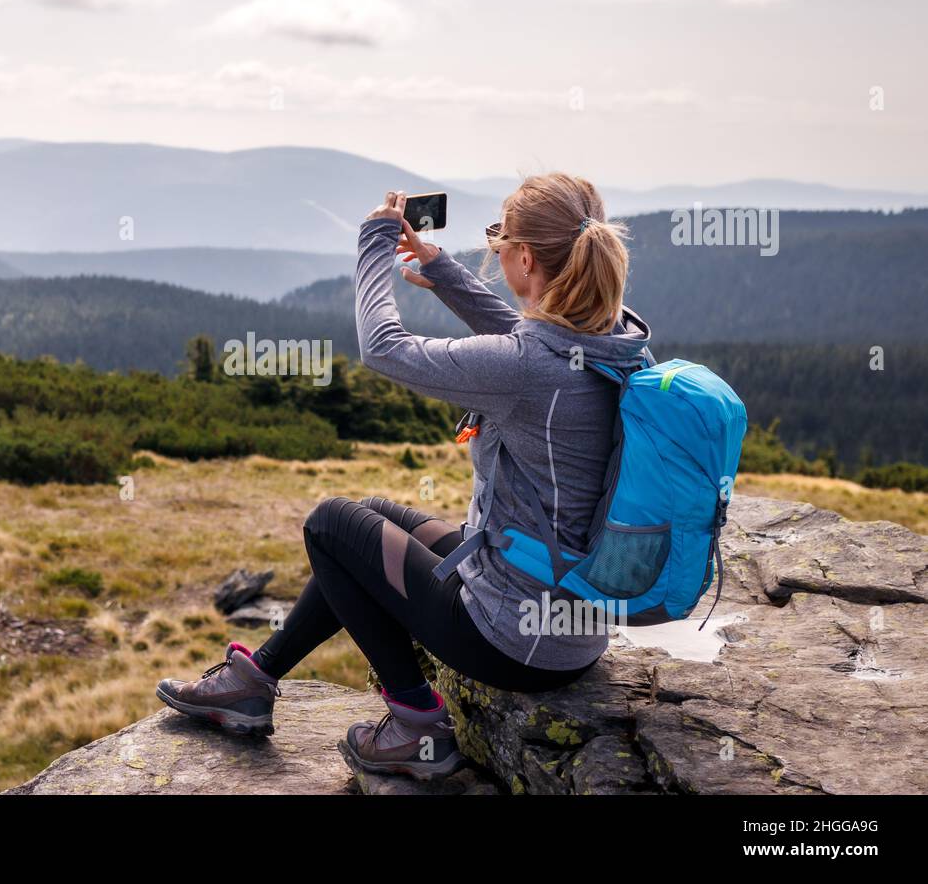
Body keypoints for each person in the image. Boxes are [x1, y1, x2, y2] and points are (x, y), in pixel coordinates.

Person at [156, 172, 653, 780]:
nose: (495, 251)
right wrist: (443, 270)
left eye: (498, 240)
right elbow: (533, 342)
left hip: (511, 639)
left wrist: (372, 244)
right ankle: (253, 679)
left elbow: (385, 347)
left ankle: (416, 723)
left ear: (525, 258)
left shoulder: (528, 370)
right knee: (373, 514)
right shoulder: (619, 339)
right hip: (571, 622)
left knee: (330, 524)